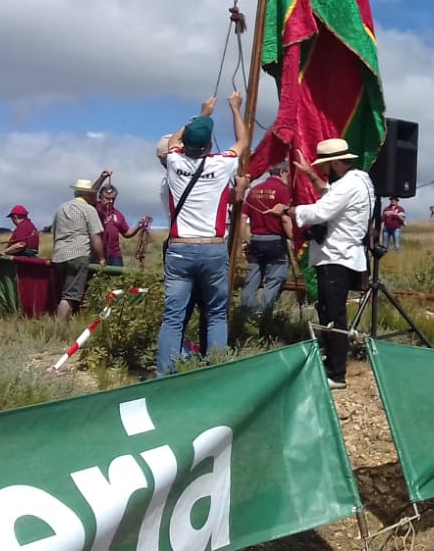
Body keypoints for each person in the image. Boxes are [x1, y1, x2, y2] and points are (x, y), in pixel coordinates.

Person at [155, 92, 249, 376]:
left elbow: (173, 142)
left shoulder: (174, 162)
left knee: (173, 317)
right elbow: (244, 142)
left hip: (180, 248)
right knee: (216, 314)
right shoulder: (220, 164)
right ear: (209, 144)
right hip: (212, 247)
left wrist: (202, 114)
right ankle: (215, 374)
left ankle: (164, 374)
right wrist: (235, 109)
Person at [270, 138, 374, 390]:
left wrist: (287, 211)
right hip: (343, 255)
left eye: (325, 165)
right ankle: (332, 361)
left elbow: (320, 212)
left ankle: (337, 373)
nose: (322, 170)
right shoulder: (360, 180)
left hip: (335, 257)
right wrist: (309, 176)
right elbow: (331, 196)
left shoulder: (348, 185)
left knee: (333, 315)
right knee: (330, 312)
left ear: (335, 163)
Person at [240, 161, 293, 314]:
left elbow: (242, 217)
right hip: (275, 240)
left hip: (256, 239)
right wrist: (293, 239)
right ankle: (263, 314)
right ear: (283, 172)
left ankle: (247, 314)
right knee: (275, 279)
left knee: (252, 279)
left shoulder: (254, 190)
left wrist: (243, 240)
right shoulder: (283, 191)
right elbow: (284, 218)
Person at [51, 179, 105, 318]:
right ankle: (59, 327)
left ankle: (66, 321)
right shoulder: (88, 210)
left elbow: (54, 232)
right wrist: (101, 258)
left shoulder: (60, 208)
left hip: (59, 255)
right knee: (71, 295)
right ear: (88, 194)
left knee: (63, 291)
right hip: (78, 254)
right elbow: (95, 236)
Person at [94, 178, 150, 268]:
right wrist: (102, 177)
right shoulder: (93, 208)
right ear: (100, 197)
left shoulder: (118, 214)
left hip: (114, 256)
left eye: (113, 199)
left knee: (118, 279)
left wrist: (139, 226)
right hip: (96, 254)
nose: (111, 201)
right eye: (108, 198)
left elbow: (127, 232)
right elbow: (92, 191)